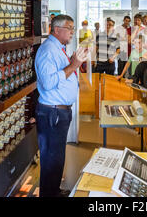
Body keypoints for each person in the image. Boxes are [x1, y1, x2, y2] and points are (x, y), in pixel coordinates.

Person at [35, 14, 88, 197]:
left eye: (73, 28)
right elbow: (49, 82)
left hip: (59, 112)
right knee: (51, 159)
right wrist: (73, 65)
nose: (73, 32)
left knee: (57, 158)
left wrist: (73, 62)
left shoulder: (59, 49)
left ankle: (53, 192)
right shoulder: (48, 50)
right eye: (70, 28)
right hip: (52, 113)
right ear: (57, 30)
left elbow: (62, 74)